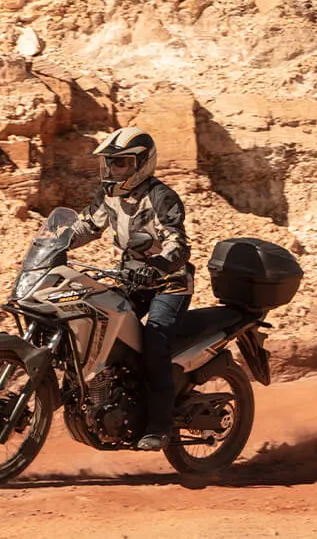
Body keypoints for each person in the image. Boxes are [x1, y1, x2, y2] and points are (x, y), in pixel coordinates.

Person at [69, 126, 193, 451]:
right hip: (131, 278)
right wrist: (56, 242)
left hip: (169, 282)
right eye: (109, 163)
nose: (111, 169)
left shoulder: (162, 196)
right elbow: (87, 226)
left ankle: (159, 426)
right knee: (97, 320)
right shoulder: (108, 195)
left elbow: (178, 244)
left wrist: (157, 266)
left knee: (154, 340)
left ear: (141, 163)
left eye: (120, 163)